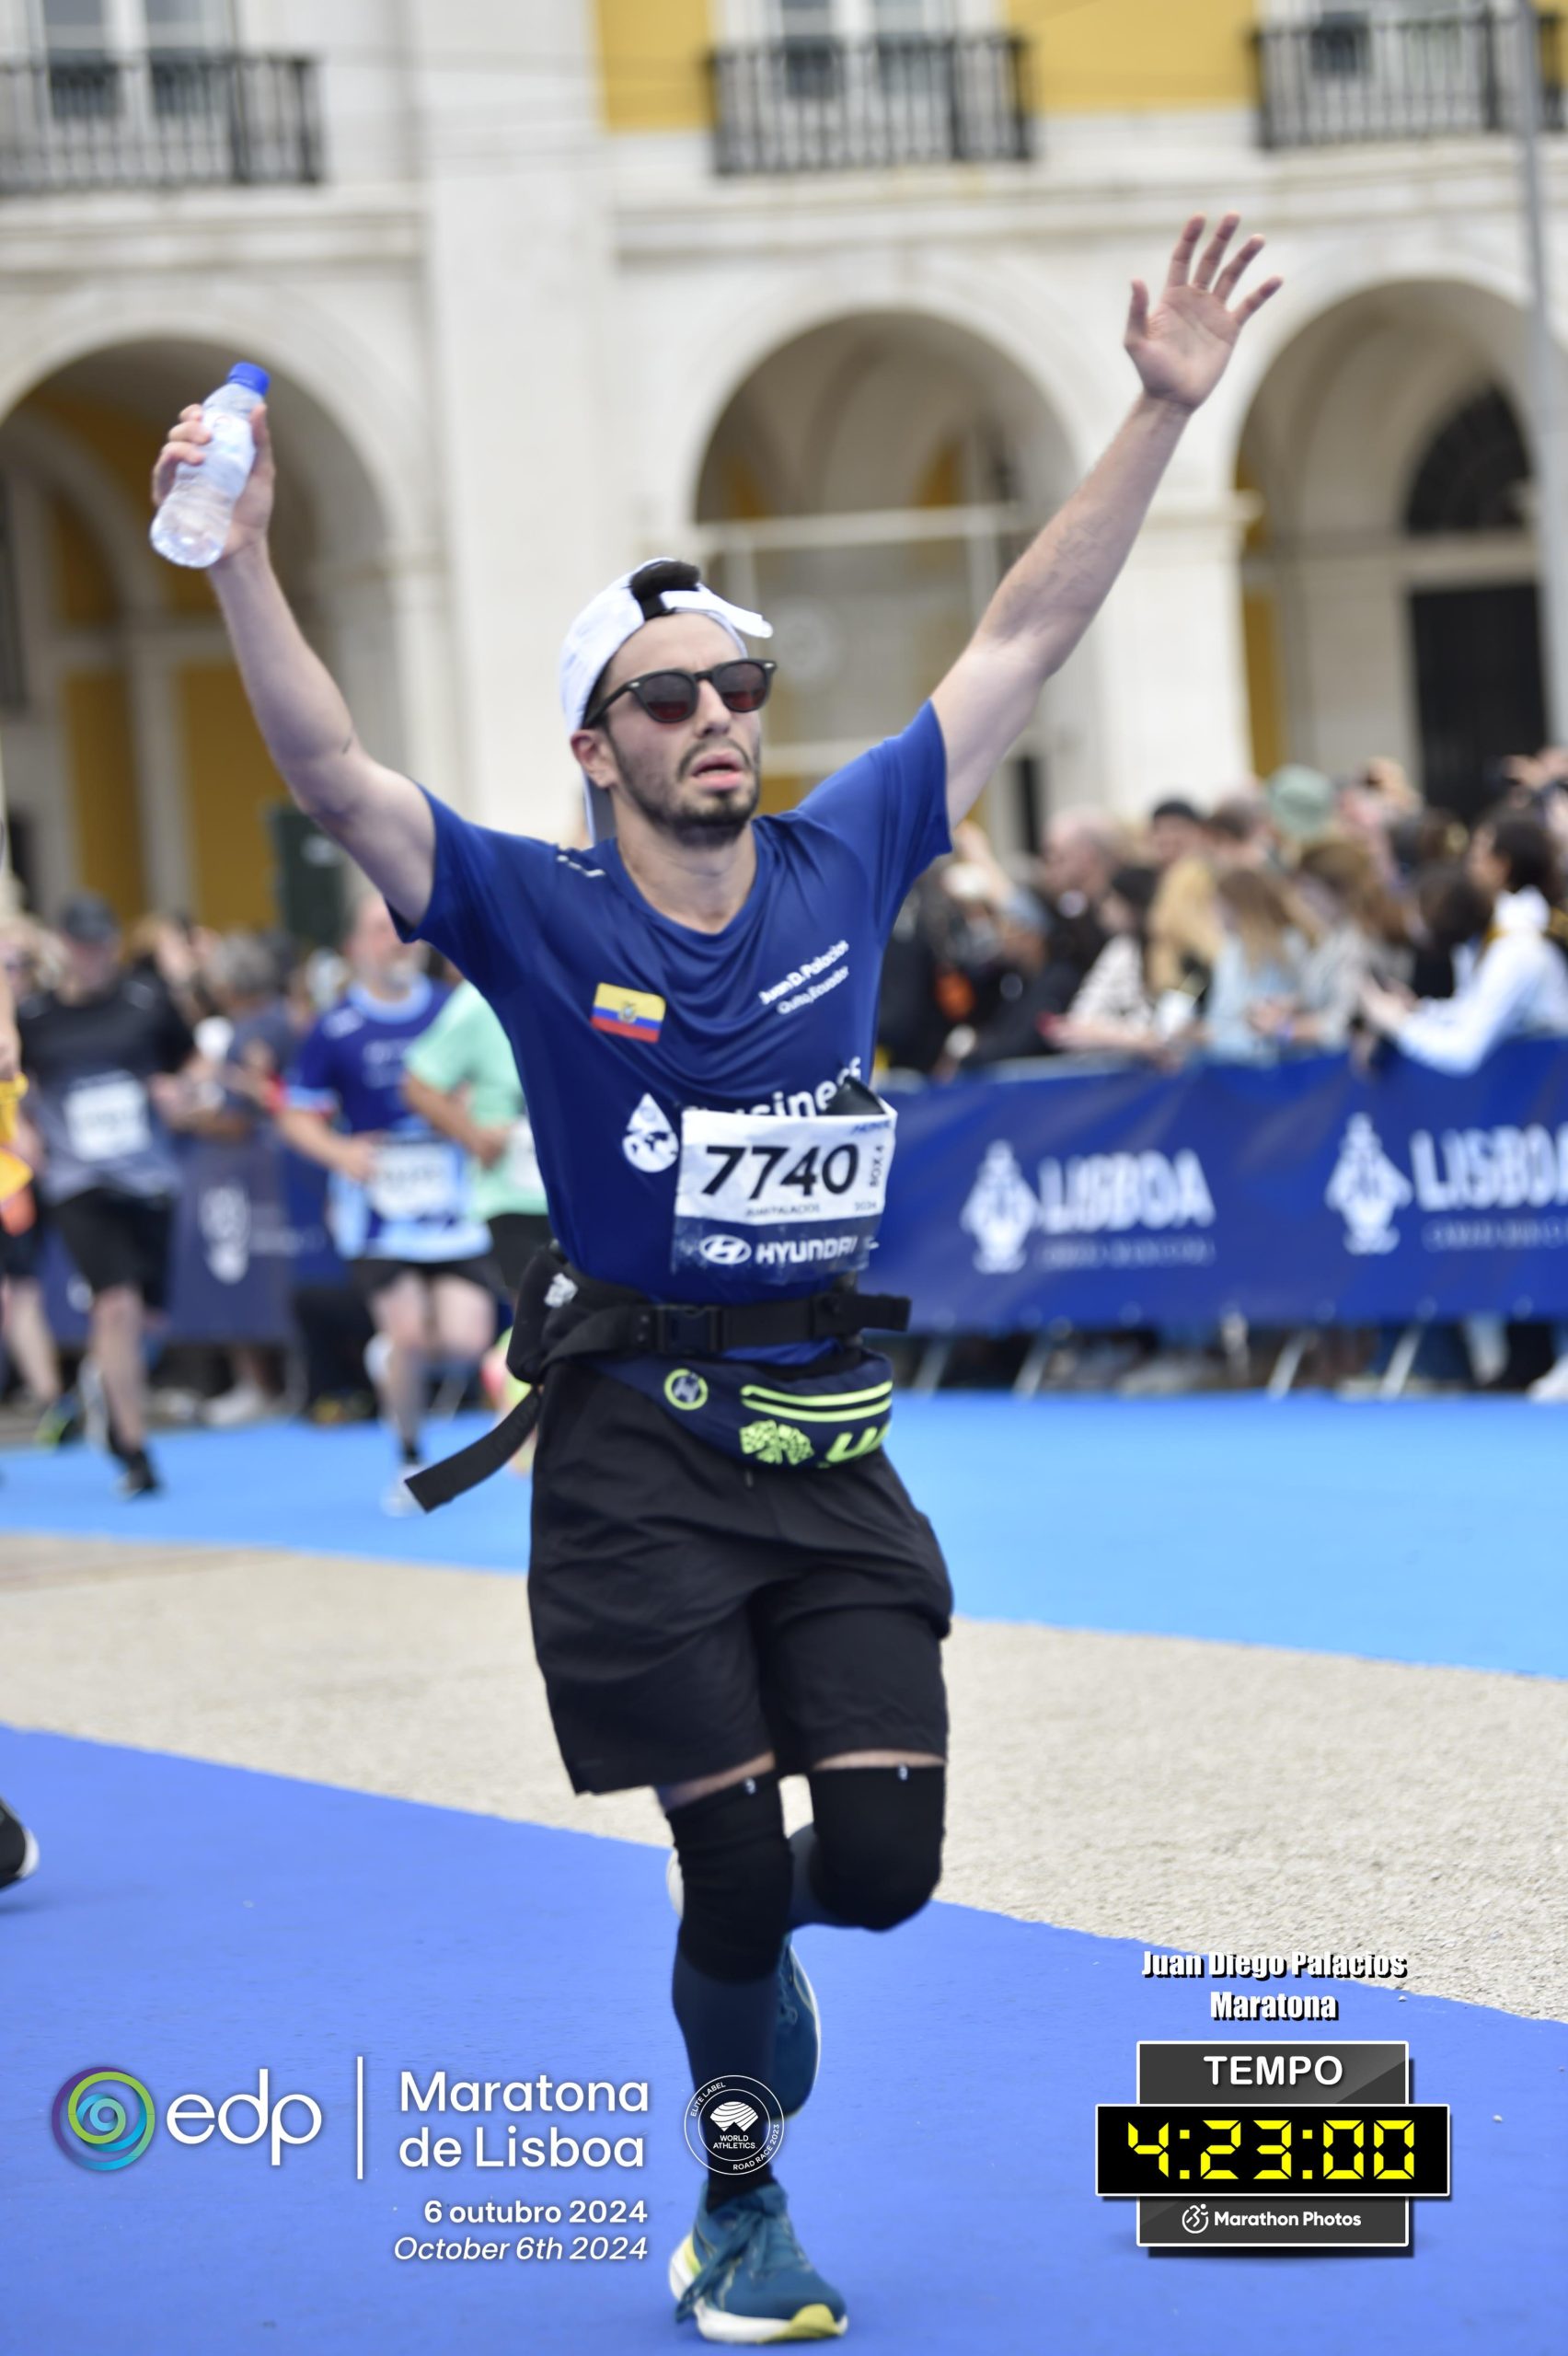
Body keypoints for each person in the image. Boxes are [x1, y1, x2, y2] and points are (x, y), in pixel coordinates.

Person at [156, 208, 1279, 2341]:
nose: (716, 718)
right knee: (732, 1863)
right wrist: (238, 560)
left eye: (738, 685)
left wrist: (1151, 409)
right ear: (598, 744)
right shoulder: (523, 904)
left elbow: (1028, 632)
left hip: (827, 1441)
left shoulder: (849, 848)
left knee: (875, 1869)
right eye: (666, 694)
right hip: (635, 1456)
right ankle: (739, 2198)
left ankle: (762, 1986)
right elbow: (323, 768)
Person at [275, 898, 498, 1512]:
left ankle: (395, 1357)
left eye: (404, 932)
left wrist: (475, 1113)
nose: (395, 942)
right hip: (378, 1210)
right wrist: (340, 1152)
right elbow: (296, 1114)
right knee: (406, 1333)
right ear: (355, 946)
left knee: (466, 1338)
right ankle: (408, 1456)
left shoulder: (453, 1010)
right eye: (380, 931)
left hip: (452, 1209)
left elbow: (492, 1077)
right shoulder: (336, 1027)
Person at [15, 893, 196, 1496]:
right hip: (78, 1181)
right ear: (63, 946)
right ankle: (134, 1445)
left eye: (102, 944)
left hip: (148, 1178)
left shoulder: (147, 1001)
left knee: (148, 1318)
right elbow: (13, 1084)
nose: (92, 956)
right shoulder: (34, 1017)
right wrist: (20, 1130)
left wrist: (180, 1091)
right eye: (80, 944)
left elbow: (190, 1065)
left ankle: (109, 1390)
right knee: (112, 1304)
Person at [1358, 812, 1568, 1073]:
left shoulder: (1516, 950)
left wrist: (1398, 1023)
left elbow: (1465, 1050)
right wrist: (1420, 1010)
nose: (1472, 863)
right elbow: (1475, 1009)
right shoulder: (1482, 943)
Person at [401, 978, 550, 1299]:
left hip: (585, 1196)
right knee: (538, 1328)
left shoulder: (598, 982)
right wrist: (474, 1135)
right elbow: (419, 1084)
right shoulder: (484, 995)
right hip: (513, 1197)